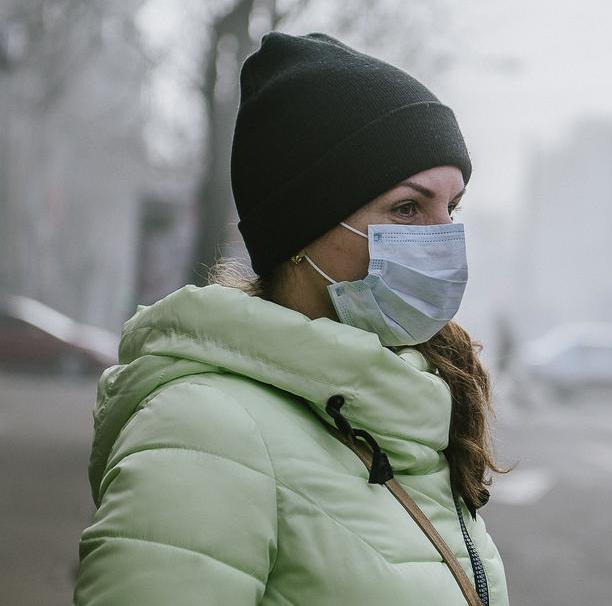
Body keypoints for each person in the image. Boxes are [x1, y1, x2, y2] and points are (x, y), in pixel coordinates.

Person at [75, 33, 508, 605]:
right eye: (408, 208)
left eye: (450, 207)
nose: (444, 238)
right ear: (301, 230)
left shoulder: (410, 410)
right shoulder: (206, 431)